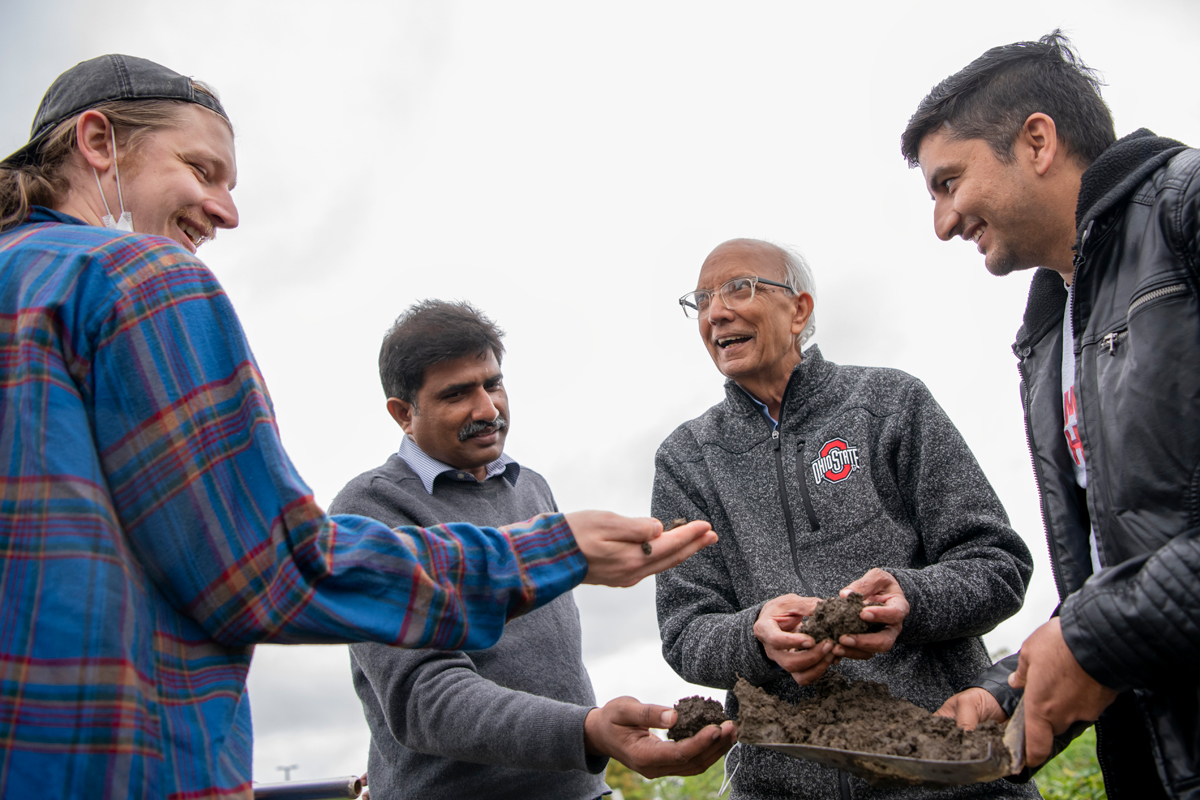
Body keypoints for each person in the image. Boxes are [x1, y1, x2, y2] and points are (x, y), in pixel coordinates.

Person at [0, 55, 717, 799]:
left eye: (493, 384)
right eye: (201, 169)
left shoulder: (530, 483)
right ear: (96, 143)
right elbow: (267, 567)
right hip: (115, 763)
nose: (227, 211)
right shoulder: (138, 278)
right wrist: (547, 554)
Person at [901, 31, 1200, 799]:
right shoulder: (1048, 331)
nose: (942, 222)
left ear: (1036, 141)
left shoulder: (1186, 208)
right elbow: (1116, 570)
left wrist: (1095, 639)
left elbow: (1111, 616)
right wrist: (1010, 689)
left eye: (949, 182)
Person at [652, 238, 1037, 799]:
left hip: (941, 775)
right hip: (779, 786)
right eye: (702, 299)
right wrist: (755, 637)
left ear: (799, 309)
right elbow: (685, 631)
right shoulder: (687, 458)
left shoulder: (890, 402)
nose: (716, 312)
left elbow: (998, 566)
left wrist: (912, 599)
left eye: (740, 288)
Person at [331, 300, 736, 800]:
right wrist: (586, 731)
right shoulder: (370, 509)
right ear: (402, 413)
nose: (486, 409)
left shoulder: (531, 489)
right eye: (456, 394)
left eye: (492, 383)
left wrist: (588, 739)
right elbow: (425, 697)